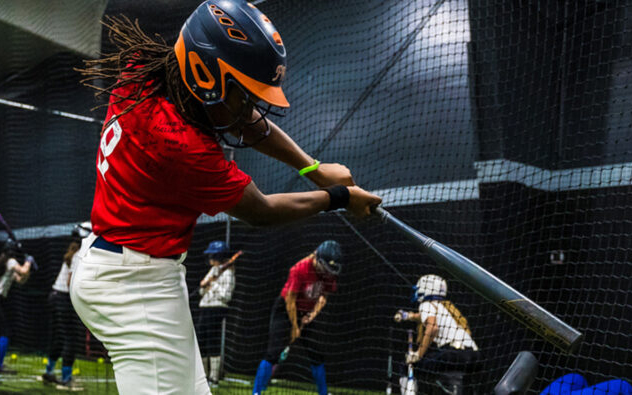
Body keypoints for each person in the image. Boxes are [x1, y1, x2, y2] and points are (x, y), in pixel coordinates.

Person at [69, 0, 381, 393]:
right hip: (133, 286)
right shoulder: (182, 147)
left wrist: (313, 168)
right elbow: (262, 211)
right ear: (202, 75)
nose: (251, 106)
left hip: (135, 270)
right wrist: (338, 197)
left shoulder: (146, 68)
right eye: (245, 94)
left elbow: (240, 118)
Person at [252, 240, 342, 395]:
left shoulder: (329, 272)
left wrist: (311, 316)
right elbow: (290, 301)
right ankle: (256, 392)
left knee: (316, 353)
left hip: (306, 311)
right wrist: (294, 327)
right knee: (273, 352)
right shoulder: (300, 269)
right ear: (317, 259)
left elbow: (323, 297)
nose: (327, 273)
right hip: (286, 310)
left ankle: (323, 392)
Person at [394, 274, 480, 395]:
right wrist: (408, 315)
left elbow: (432, 327)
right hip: (473, 355)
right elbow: (422, 316)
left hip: (451, 355)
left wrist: (418, 354)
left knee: (408, 366)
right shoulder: (446, 307)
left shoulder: (426, 304)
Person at [40, 222, 91, 390]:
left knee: (59, 338)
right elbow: (71, 283)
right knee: (71, 339)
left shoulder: (74, 251)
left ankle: (49, 372)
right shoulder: (80, 255)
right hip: (63, 299)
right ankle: (66, 379)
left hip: (55, 297)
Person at [195, 240, 236, 387]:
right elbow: (201, 290)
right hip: (204, 307)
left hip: (217, 308)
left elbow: (226, 295)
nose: (210, 258)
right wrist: (204, 285)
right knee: (201, 340)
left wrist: (211, 286)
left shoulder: (228, 274)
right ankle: (204, 376)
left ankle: (214, 378)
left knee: (213, 340)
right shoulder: (213, 271)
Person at [0, 240, 34, 375]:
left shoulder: (4, 262)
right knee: (4, 333)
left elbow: (20, 279)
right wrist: (29, 261)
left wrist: (28, 271)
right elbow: (23, 270)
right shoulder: (11, 261)